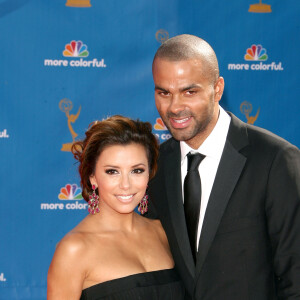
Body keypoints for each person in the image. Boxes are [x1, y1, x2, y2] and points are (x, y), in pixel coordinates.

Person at [147, 34, 300, 300]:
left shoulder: (275, 160)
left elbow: (295, 278)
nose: (174, 107)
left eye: (189, 91)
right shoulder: (155, 166)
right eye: (164, 93)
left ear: (217, 89)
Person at [47, 115, 185, 300]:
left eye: (137, 170)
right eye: (112, 171)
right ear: (92, 177)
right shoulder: (74, 249)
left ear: (149, 173)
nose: (126, 185)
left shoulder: (162, 232)